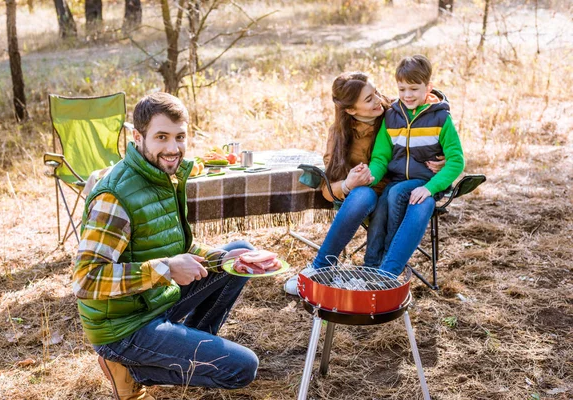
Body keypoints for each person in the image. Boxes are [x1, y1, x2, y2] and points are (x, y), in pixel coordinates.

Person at [73, 92, 259, 400]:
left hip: (154, 299)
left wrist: (222, 258)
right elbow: (86, 280)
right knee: (242, 368)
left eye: (180, 137)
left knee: (237, 254)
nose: (173, 149)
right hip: (122, 328)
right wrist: (167, 268)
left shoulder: (161, 176)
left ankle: (185, 346)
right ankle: (131, 369)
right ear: (138, 136)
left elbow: (179, 246)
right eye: (161, 137)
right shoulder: (114, 197)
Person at [284, 71, 445, 295]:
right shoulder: (339, 134)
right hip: (366, 197)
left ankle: (386, 277)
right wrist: (348, 184)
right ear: (350, 110)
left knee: (423, 201)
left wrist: (441, 159)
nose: (378, 100)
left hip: (403, 192)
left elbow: (433, 112)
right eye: (369, 99)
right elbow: (328, 190)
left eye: (376, 93)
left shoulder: (398, 114)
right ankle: (319, 268)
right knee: (362, 195)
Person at [368, 54, 465, 276]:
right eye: (402, 89)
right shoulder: (391, 117)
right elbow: (381, 157)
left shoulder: (440, 119)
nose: (407, 95)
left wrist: (431, 188)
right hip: (397, 180)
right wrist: (371, 177)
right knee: (382, 206)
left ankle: (389, 266)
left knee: (398, 192)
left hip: (427, 182)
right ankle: (371, 265)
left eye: (413, 89)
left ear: (428, 88)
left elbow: (457, 160)